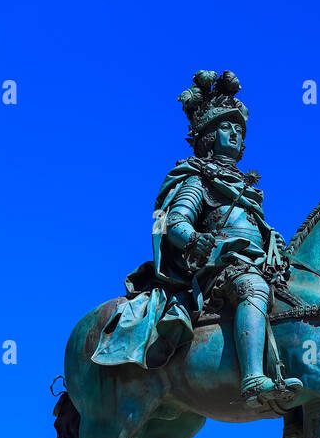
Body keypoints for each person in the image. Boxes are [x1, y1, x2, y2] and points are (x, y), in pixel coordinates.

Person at [92, 69, 302, 410]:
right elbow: (174, 221)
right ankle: (252, 378)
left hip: (256, 263)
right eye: (225, 127)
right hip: (216, 267)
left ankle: (298, 414)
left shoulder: (248, 191)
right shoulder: (197, 179)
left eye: (239, 129)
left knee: (299, 308)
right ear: (207, 136)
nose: (234, 133)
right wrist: (194, 240)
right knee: (253, 287)